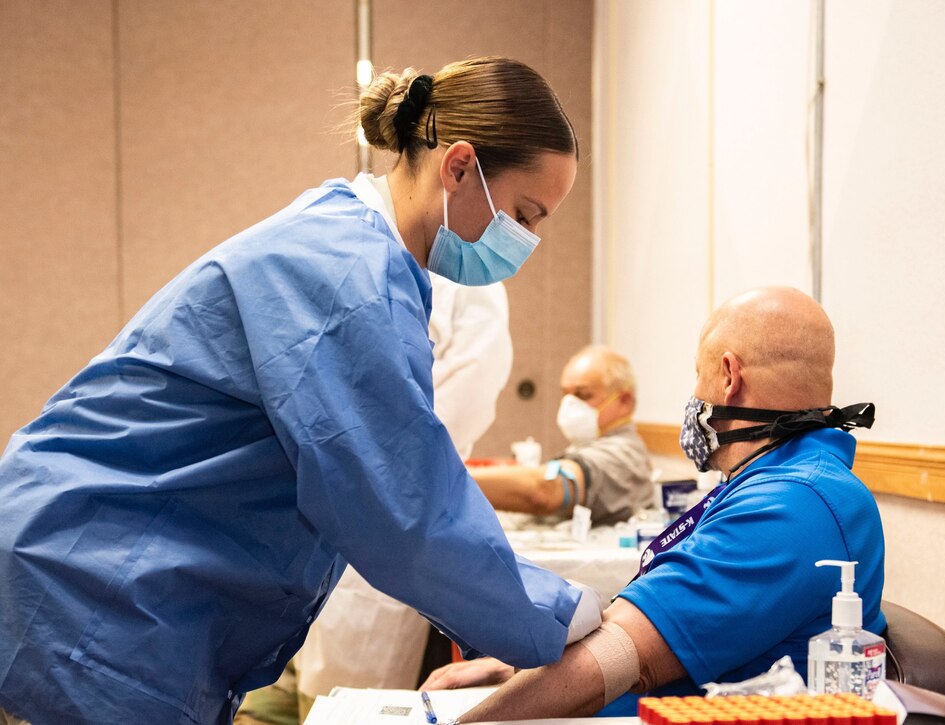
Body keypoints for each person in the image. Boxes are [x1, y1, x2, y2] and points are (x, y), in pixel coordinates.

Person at [0, 57, 602, 724]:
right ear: (458, 167)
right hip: (84, 592)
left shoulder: (351, 242)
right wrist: (568, 615)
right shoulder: (351, 277)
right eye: (525, 213)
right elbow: (406, 512)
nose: (527, 241)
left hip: (101, 575)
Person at [422, 286, 886, 721]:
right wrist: (516, 669)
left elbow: (620, 656)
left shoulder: (791, 506)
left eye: (697, 373)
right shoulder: (775, 482)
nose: (695, 396)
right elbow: (644, 624)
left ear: (728, 376)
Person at [236, 273, 513, 724]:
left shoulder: (468, 292)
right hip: (298, 540)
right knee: (274, 692)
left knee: (339, 698)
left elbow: (438, 429)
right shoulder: (357, 272)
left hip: (373, 544)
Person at [470, 344, 653, 526]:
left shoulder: (623, 454)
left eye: (583, 395)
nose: (570, 405)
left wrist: (453, 478)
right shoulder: (587, 446)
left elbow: (545, 490)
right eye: (565, 395)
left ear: (624, 402)